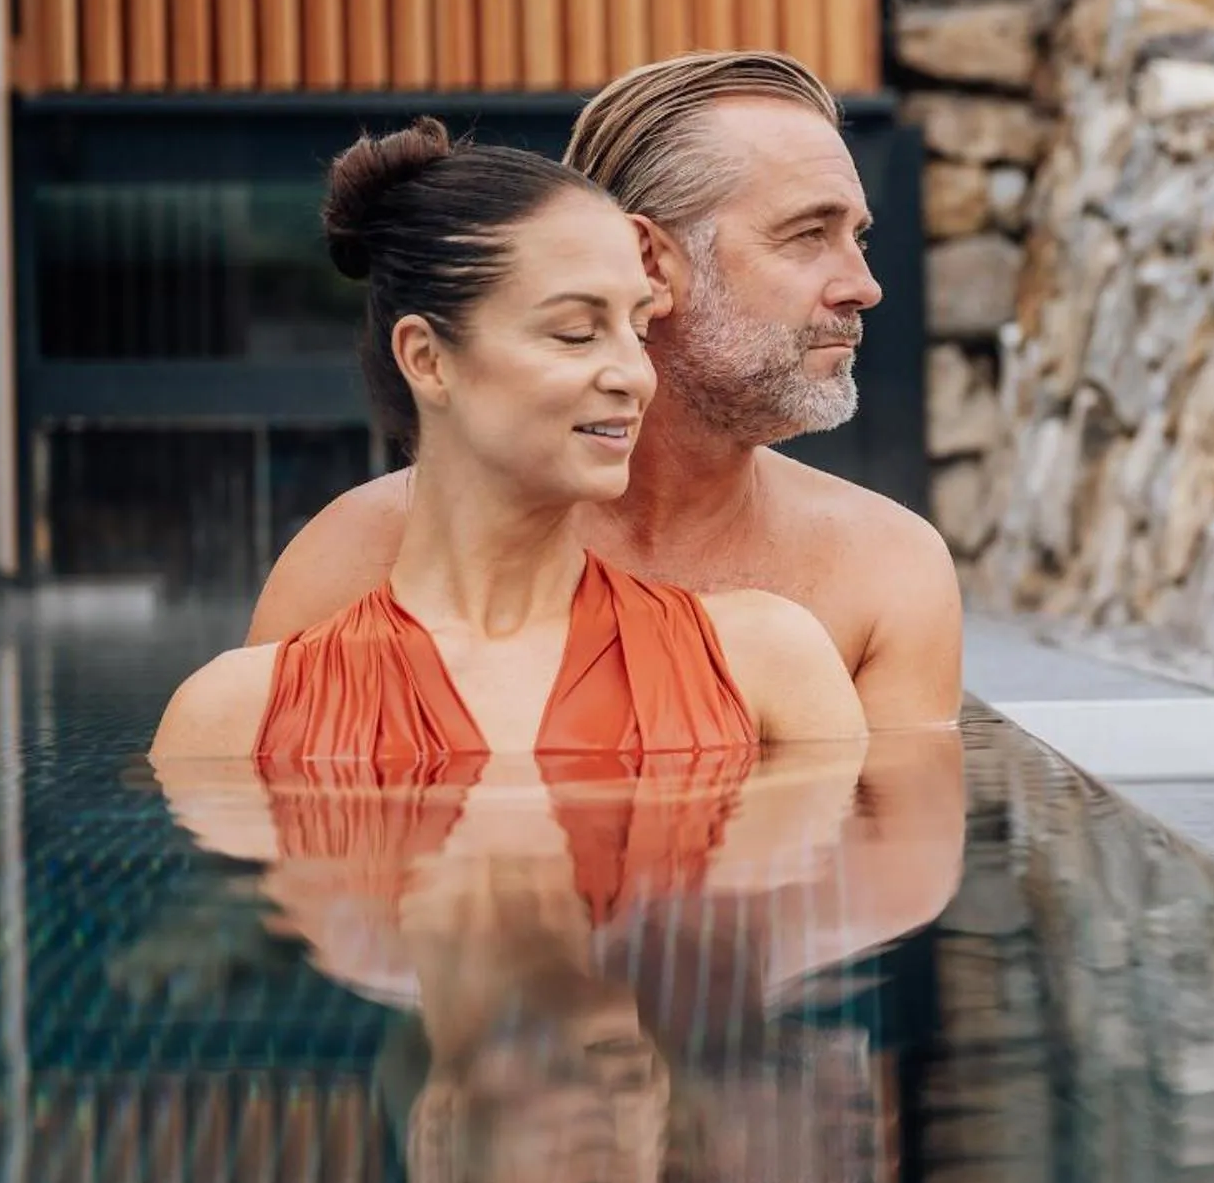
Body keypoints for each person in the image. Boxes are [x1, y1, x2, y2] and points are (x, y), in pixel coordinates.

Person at [245, 51, 963, 730]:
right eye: (808, 234)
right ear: (650, 262)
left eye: (859, 238)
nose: (864, 286)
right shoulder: (354, 559)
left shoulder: (885, 572)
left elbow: (884, 824)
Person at [152, 118, 866, 760]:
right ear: (427, 360)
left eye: (639, 330)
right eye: (577, 333)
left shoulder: (766, 663)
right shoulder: (234, 717)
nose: (634, 376)